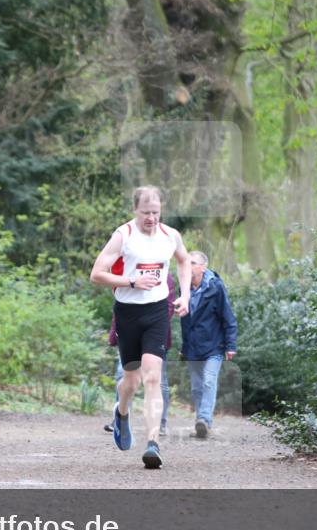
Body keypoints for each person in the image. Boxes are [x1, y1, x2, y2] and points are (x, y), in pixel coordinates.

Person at [90, 186, 191, 469]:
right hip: (128, 314)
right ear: (135, 210)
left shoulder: (170, 235)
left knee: (153, 377)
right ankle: (121, 412)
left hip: (157, 311)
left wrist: (185, 295)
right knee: (131, 381)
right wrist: (131, 282)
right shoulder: (123, 235)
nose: (151, 218)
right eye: (146, 212)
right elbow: (96, 274)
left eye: (155, 212)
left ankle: (152, 444)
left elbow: (184, 261)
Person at [103, 273, 175, 437]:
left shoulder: (164, 272)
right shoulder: (127, 272)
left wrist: (156, 327)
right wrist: (115, 334)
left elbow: (169, 306)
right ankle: (121, 417)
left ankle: (159, 426)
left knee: (156, 380)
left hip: (154, 334)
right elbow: (119, 307)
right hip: (129, 334)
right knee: (125, 377)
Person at [179, 250, 238, 438]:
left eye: (193, 263)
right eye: (187, 263)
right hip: (192, 347)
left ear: (203, 267)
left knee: (209, 380)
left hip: (214, 346)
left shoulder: (216, 287)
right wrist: (184, 347)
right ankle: (202, 424)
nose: (189, 267)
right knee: (196, 387)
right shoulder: (183, 288)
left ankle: (204, 419)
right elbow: (184, 322)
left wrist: (230, 345)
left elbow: (228, 317)